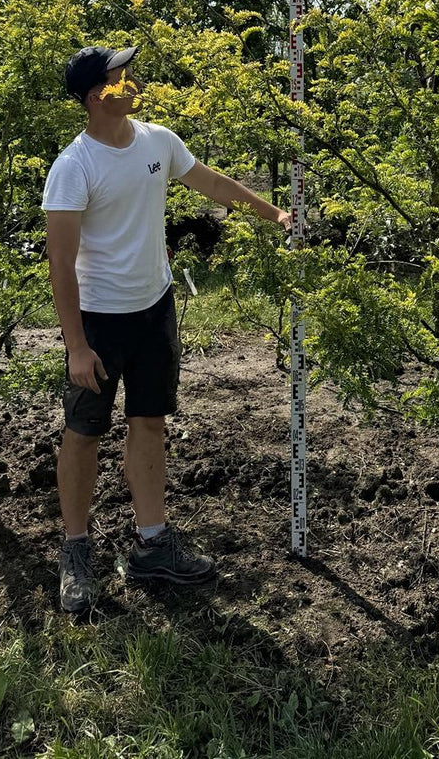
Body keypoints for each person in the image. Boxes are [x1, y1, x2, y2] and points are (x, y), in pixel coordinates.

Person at [42, 44, 290, 613]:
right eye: (116, 77)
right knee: (84, 434)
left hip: (155, 310)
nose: (129, 82)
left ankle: (152, 544)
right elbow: (60, 263)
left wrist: (270, 212)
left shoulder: (158, 140)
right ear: (91, 95)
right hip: (99, 323)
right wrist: (76, 345)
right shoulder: (74, 167)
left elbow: (212, 182)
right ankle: (76, 551)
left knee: (148, 423)